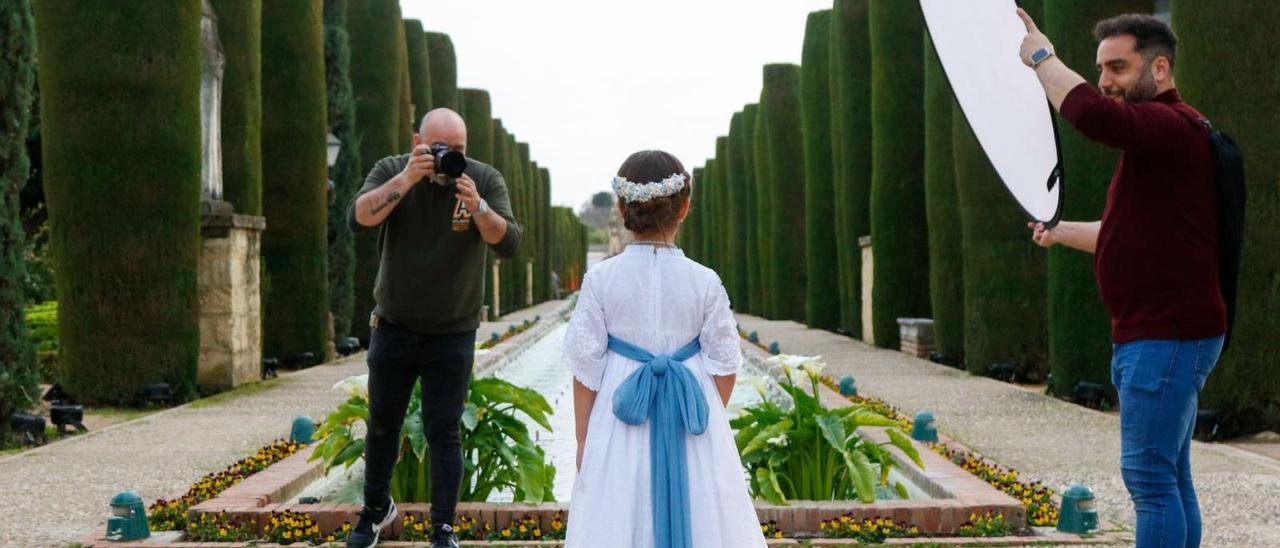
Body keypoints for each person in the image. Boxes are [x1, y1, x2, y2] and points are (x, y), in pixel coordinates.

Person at [1017, 10, 1225, 547]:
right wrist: (1059, 231)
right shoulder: (1160, 145)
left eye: (1117, 67)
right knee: (1170, 477)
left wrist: (1043, 58)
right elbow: (1123, 233)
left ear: (1159, 68)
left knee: (1150, 481)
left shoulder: (1169, 126)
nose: (1104, 81)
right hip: (1164, 333)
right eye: (1099, 68)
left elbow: (1095, 118)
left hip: (1165, 335)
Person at [561, 150, 766, 548]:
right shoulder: (705, 281)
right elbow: (725, 366)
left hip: (618, 420)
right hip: (692, 425)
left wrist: (585, 440)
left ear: (622, 208)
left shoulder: (601, 279)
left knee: (616, 516)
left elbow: (585, 367)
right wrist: (696, 412)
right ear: (685, 208)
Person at [344, 108, 521, 548]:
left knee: (444, 429)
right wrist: (407, 179)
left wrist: (478, 206)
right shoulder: (392, 170)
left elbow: (510, 243)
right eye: (438, 149)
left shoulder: (483, 178)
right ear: (417, 141)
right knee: (382, 424)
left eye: (457, 150)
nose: (448, 159)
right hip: (394, 325)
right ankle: (374, 513)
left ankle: (443, 526)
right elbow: (358, 218)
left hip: (453, 331)